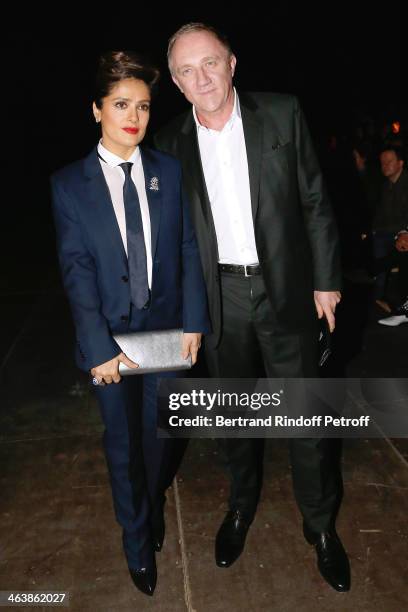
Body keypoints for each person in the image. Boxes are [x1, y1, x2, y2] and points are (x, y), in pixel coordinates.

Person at [155, 23, 349, 592]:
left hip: (287, 288)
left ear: (232, 62)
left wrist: (327, 280)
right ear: (175, 82)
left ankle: (320, 527)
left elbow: (315, 199)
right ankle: (240, 507)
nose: (202, 78)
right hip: (220, 299)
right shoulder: (169, 143)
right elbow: (172, 241)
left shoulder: (282, 114)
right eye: (187, 70)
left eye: (210, 63)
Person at [51, 51, 209, 597]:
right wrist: (98, 349)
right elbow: (76, 272)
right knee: (122, 445)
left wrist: (194, 320)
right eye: (121, 104)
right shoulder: (69, 185)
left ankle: (150, 501)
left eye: (142, 105)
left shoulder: (168, 170)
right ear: (96, 109)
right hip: (110, 343)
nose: (133, 116)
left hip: (166, 335)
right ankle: (138, 540)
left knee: (160, 440)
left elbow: (187, 247)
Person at [371, 145, 408, 312]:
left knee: (388, 261)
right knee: (379, 264)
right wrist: (373, 230)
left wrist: (403, 232)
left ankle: (400, 306)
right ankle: (378, 299)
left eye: (389, 161)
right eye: (382, 162)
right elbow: (379, 213)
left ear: (400, 163)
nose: (385, 165)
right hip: (385, 232)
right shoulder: (384, 186)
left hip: (402, 232)